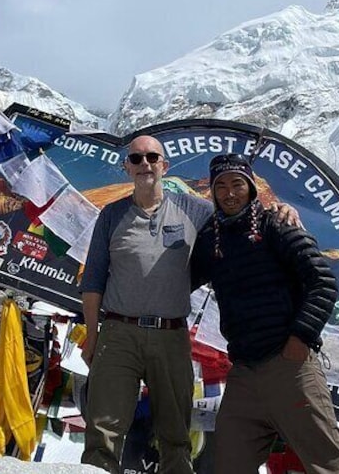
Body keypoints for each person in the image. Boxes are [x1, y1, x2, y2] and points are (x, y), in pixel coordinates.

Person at [79, 136, 298, 474]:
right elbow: (93, 280)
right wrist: (92, 336)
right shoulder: (111, 215)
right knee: (102, 432)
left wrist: (280, 211)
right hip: (118, 332)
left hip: (171, 335)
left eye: (152, 157)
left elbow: (239, 214)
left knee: (175, 435)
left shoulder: (195, 210)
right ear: (127, 168)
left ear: (164, 166)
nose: (145, 164)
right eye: (136, 159)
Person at [190, 154, 339, 474]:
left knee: (328, 464)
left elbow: (323, 283)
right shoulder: (211, 239)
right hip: (243, 371)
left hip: (289, 367)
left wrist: (300, 338)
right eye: (221, 186)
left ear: (251, 187)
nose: (229, 193)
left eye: (237, 184)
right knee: (229, 463)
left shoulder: (277, 224)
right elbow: (181, 280)